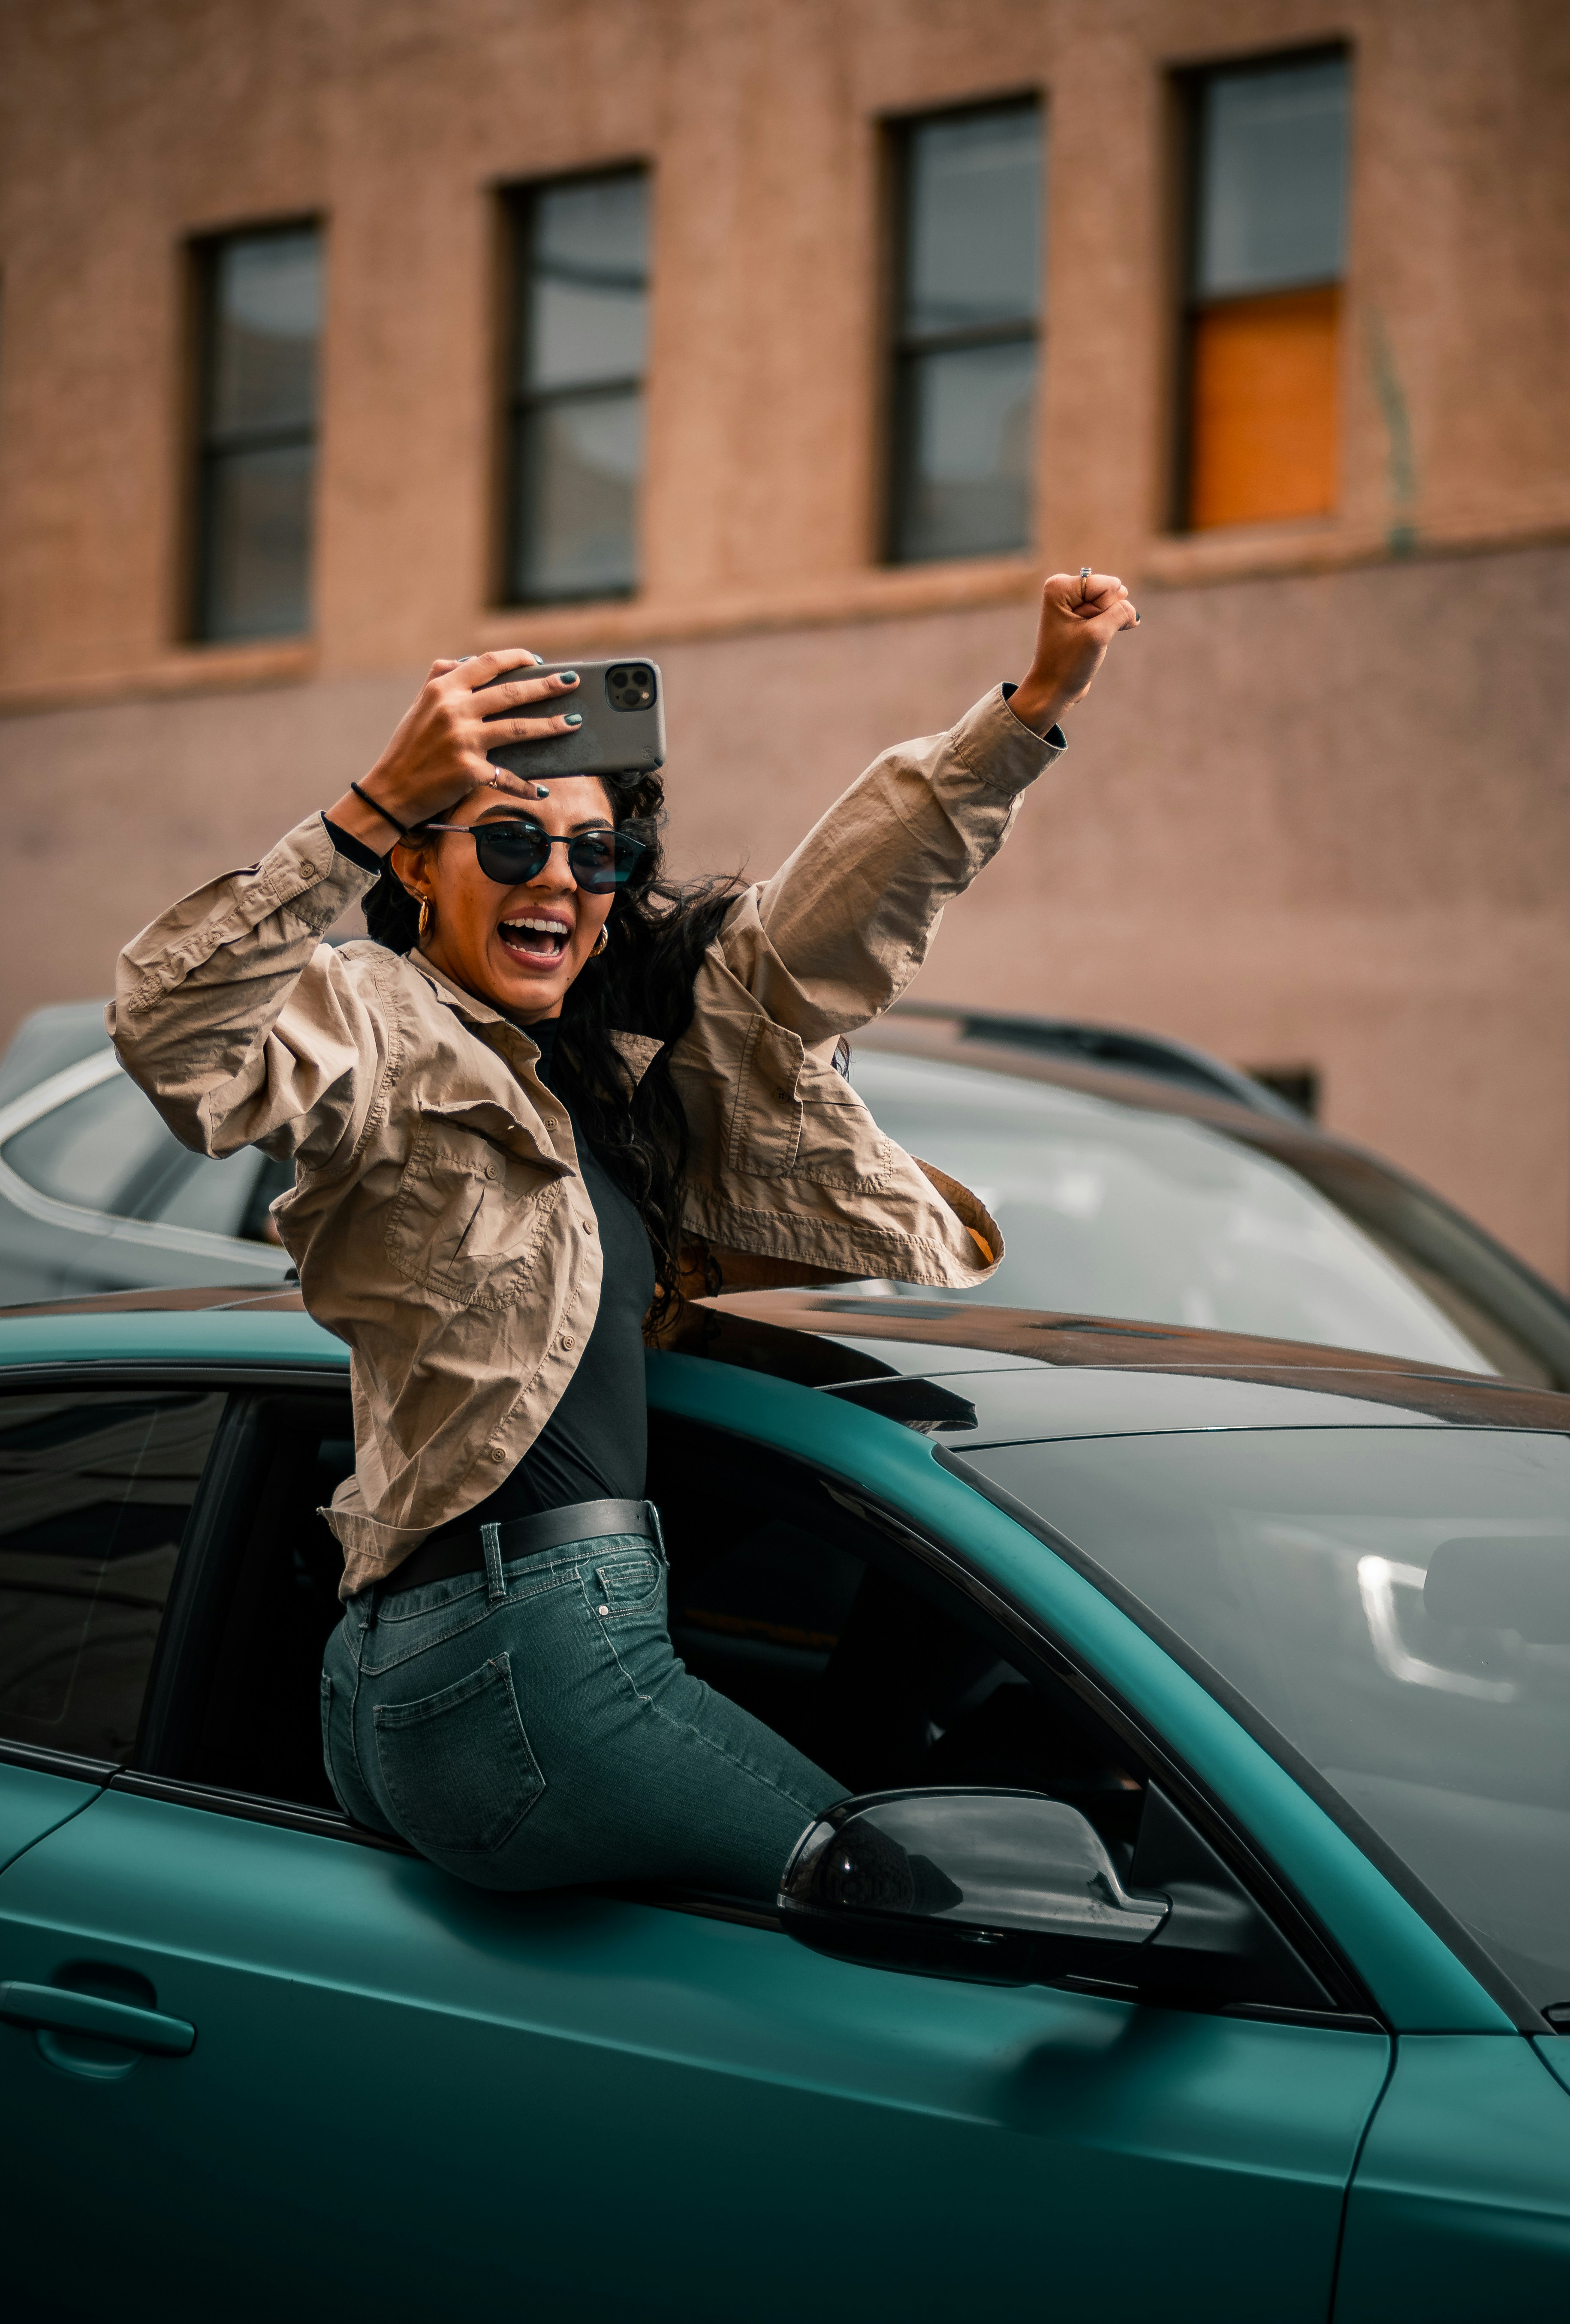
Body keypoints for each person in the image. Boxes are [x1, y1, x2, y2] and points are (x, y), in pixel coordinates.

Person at [110, 568, 1137, 1897]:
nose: (562, 879)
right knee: (919, 1910)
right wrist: (365, 807)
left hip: (484, 1651)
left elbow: (834, 915)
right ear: (420, 864)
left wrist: (1032, 707)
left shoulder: (628, 1069)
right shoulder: (375, 1015)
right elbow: (174, 1031)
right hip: (523, 1658)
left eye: (595, 855)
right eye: (510, 842)